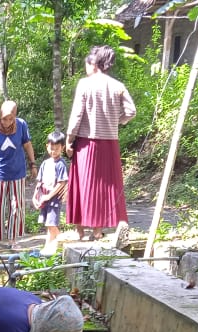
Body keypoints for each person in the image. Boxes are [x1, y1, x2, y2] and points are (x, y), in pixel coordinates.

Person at [65, 45, 136, 245]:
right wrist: (116, 121)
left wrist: (69, 139)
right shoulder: (117, 85)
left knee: (83, 184)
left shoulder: (85, 84)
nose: (86, 68)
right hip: (110, 143)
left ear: (93, 64)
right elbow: (131, 111)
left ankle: (79, 231)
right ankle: (97, 231)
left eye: (87, 64)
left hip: (86, 143)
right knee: (104, 187)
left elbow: (77, 115)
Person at [0, 100, 37, 247]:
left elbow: (27, 144)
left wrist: (33, 164)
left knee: (16, 207)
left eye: (10, 119)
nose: (7, 122)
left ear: (15, 116)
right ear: (0, 116)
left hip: (18, 173)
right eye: (4, 119)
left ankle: (13, 239)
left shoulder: (21, 125)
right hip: (0, 174)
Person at [32, 130, 70, 255]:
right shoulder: (45, 163)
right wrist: (35, 196)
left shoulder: (61, 164)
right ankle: (48, 247)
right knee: (47, 224)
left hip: (54, 199)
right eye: (51, 148)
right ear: (47, 146)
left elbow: (62, 182)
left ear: (62, 148)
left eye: (57, 149)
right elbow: (39, 182)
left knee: (51, 223)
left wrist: (49, 196)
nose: (53, 151)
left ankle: (62, 242)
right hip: (44, 197)